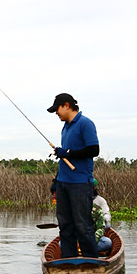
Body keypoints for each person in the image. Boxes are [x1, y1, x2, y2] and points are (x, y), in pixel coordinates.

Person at [47, 92, 99, 258]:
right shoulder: (66, 127)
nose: (56, 113)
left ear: (67, 105)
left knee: (82, 225)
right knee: (65, 225)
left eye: (57, 109)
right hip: (63, 183)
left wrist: (68, 152)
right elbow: (64, 158)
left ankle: (91, 262)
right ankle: (68, 261)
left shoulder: (85, 123)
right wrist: (56, 180)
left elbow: (94, 150)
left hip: (80, 183)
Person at [92, 179, 112, 254]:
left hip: (97, 228)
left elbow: (107, 214)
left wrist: (101, 220)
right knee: (61, 244)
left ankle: (88, 249)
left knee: (107, 242)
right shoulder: (79, 200)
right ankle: (90, 249)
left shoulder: (100, 201)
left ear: (94, 188)